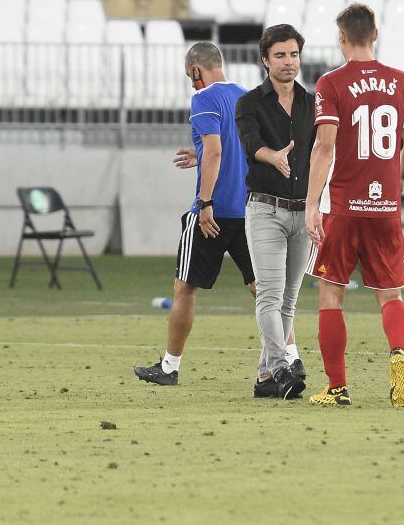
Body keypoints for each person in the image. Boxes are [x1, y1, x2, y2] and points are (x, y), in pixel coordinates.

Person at [303, 3, 404, 408]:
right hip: (385, 206)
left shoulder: (331, 84)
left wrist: (311, 202)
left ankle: (337, 388)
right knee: (391, 296)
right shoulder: (402, 82)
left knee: (330, 294)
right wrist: (399, 177)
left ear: (341, 38)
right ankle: (399, 359)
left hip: (343, 205)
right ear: (375, 35)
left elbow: (324, 145)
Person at [134, 41, 255, 386]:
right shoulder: (247, 97)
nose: (191, 82)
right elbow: (240, 150)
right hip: (249, 210)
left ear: (197, 69)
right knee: (264, 289)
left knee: (185, 287)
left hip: (212, 213)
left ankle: (169, 367)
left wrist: (205, 203)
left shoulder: (203, 99)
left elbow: (216, 151)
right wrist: (200, 154)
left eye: (190, 75)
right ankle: (287, 360)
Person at [235, 24, 315, 400]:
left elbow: (323, 152)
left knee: (289, 299)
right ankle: (282, 367)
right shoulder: (249, 103)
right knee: (269, 294)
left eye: (294, 54)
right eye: (280, 55)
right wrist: (274, 156)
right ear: (265, 59)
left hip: (303, 212)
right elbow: (252, 146)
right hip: (265, 208)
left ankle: (267, 378)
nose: (288, 62)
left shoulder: (314, 103)